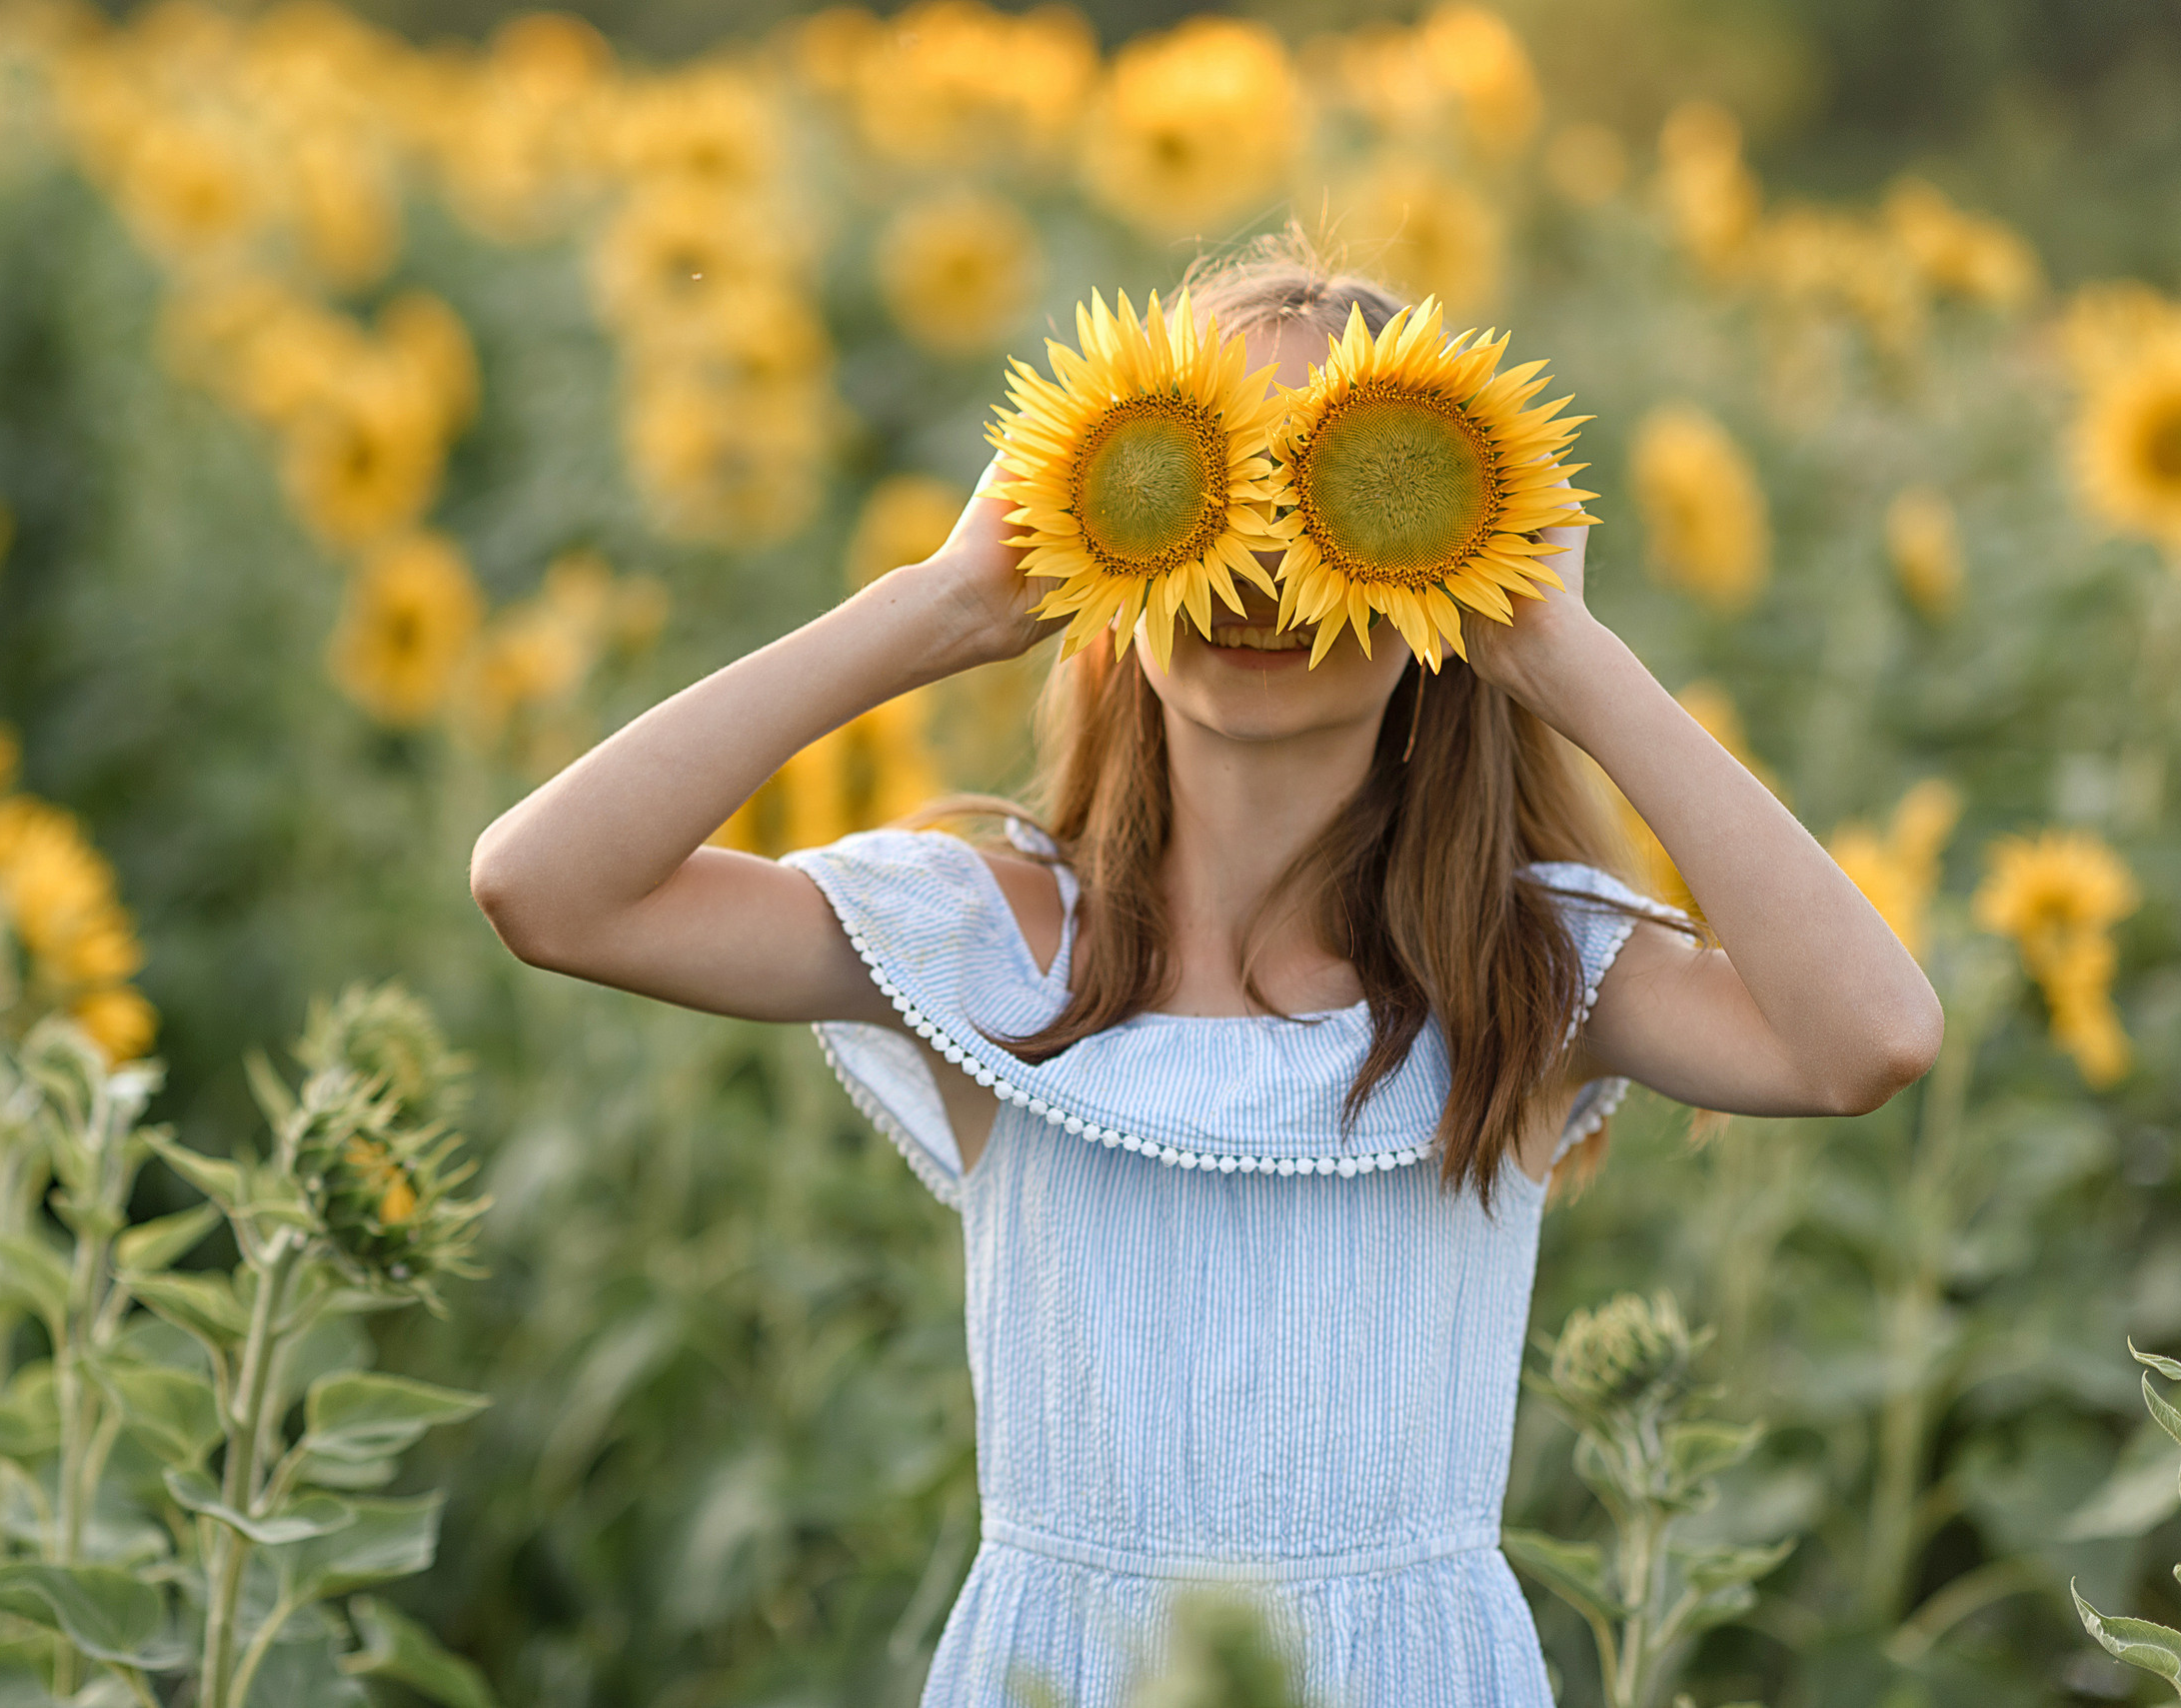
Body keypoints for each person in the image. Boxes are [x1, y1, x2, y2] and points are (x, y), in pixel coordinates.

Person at [467, 244, 1943, 1705]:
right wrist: (942, 606)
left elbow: (1864, 1040)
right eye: (1201, 488)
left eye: (1337, 499)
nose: (1256, 569)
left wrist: (1562, 652)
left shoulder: (1519, 966)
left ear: (1452, 570)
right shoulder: (1000, 946)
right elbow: (547, 886)